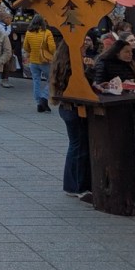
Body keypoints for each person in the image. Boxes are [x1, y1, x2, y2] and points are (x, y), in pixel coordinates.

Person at [49, 42, 92, 201]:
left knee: (77, 145)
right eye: (82, 46)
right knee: (78, 146)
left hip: (68, 108)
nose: (85, 48)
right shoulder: (73, 66)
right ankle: (76, 186)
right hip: (73, 108)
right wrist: (90, 71)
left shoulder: (63, 63)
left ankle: (75, 184)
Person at [22, 14, 56, 113]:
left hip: (33, 61)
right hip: (45, 61)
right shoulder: (47, 32)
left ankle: (38, 103)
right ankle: (44, 97)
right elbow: (52, 48)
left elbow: (25, 47)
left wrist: (33, 51)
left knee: (36, 81)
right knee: (52, 80)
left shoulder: (29, 33)